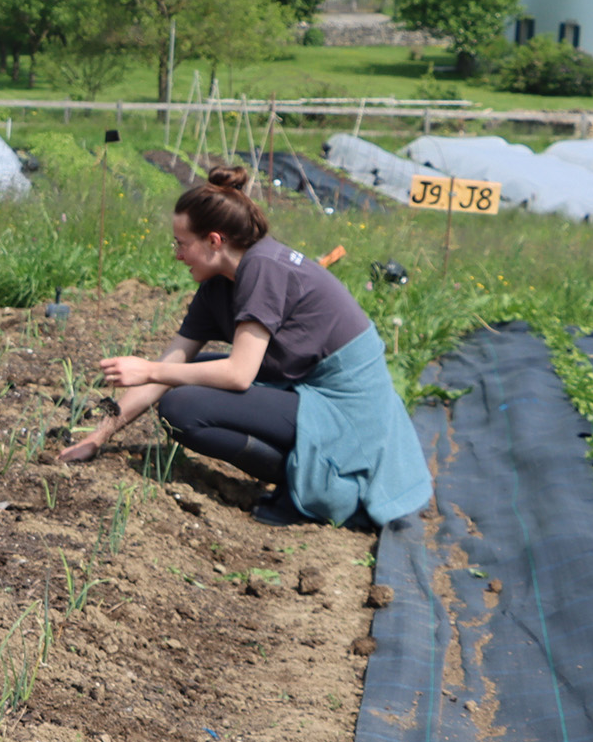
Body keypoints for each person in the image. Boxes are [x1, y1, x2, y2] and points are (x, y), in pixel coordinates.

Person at [56, 169, 430, 528]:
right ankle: (301, 478)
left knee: (183, 405)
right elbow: (174, 362)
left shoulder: (263, 268)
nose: (177, 254)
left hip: (349, 412)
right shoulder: (219, 283)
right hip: (306, 388)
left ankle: (331, 491)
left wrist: (151, 370)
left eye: (182, 244)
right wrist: (98, 436)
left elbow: (237, 375)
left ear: (214, 241)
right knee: (187, 376)